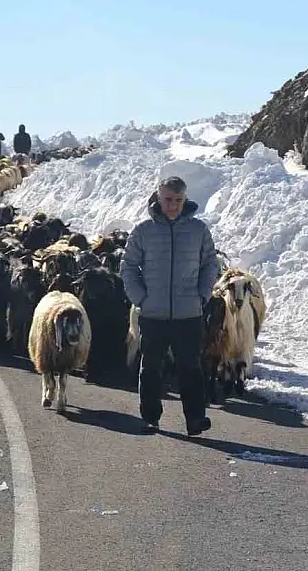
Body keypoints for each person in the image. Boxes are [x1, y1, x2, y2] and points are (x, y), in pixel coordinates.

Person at [121, 175, 219, 436]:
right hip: (153, 314)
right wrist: (141, 298)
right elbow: (128, 266)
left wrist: (202, 295)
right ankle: (151, 416)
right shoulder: (144, 230)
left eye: (177, 200)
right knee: (151, 367)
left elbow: (210, 263)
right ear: (158, 197)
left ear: (185, 199)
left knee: (191, 367)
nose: (172, 205)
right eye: (167, 199)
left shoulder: (198, 230)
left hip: (189, 313)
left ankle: (196, 419)